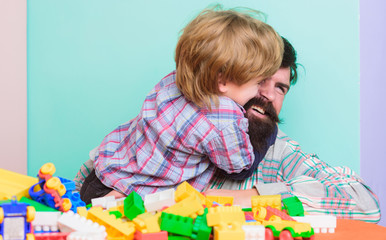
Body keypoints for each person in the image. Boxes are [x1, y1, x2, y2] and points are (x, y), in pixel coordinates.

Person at [77, 6, 284, 204]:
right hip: (127, 200)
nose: (259, 91)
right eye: (257, 82)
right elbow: (240, 166)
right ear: (222, 81)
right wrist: (269, 133)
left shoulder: (174, 81)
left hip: (99, 177)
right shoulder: (225, 120)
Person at [204, 37, 381, 223]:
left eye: (280, 88)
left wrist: (257, 197)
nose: (269, 95)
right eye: (261, 79)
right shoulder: (181, 126)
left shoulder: (278, 153)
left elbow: (365, 205)